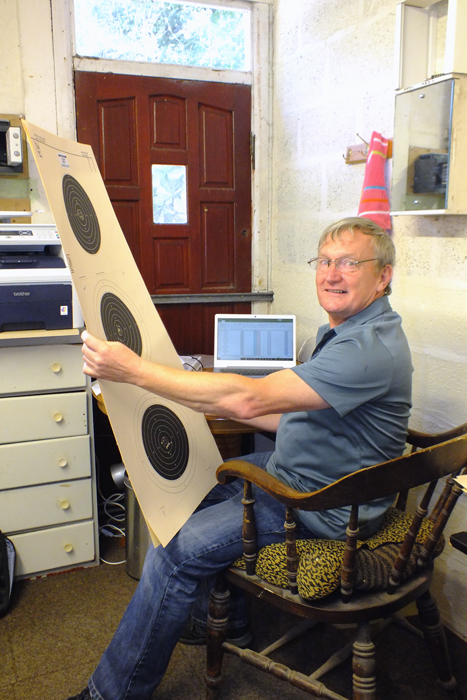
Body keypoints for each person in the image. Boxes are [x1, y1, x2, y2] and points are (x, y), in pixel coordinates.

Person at [67, 217, 412, 700]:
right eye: (325, 261)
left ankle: (110, 694)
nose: (332, 274)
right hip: (296, 480)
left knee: (174, 552)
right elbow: (290, 418)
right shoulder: (345, 331)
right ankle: (233, 627)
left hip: (319, 507)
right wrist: (206, 398)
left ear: (384, 275)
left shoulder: (366, 347)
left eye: (350, 263)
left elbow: (250, 402)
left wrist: (139, 371)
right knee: (189, 503)